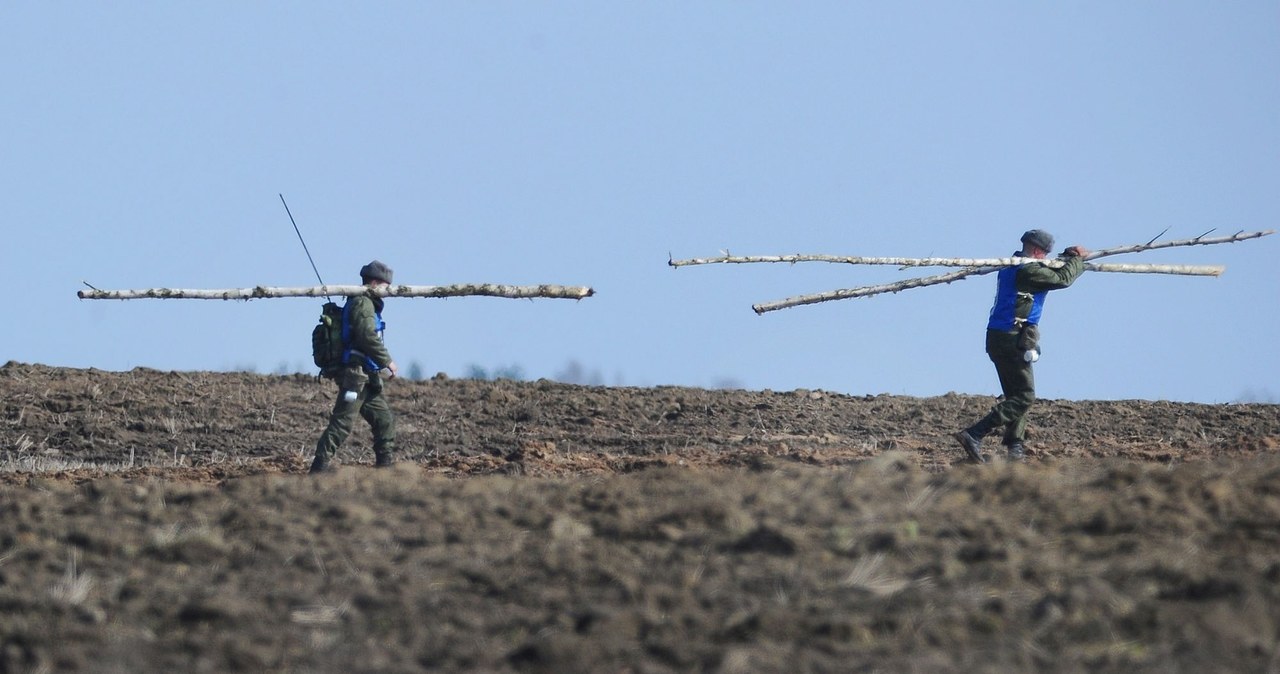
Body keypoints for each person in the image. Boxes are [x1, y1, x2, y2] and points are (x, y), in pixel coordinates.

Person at [955, 230, 1089, 463]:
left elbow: (1051, 271)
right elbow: (1062, 279)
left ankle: (1015, 447)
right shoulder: (1027, 271)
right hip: (1011, 338)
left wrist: (1066, 258)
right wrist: (1077, 262)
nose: (1047, 258)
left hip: (997, 337)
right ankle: (975, 433)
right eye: (1045, 254)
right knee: (1025, 396)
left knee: (1015, 395)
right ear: (1038, 251)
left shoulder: (1012, 266)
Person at [311, 260, 400, 473]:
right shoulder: (363, 303)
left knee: (384, 420)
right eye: (386, 286)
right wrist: (387, 360)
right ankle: (319, 468)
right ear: (377, 282)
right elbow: (366, 335)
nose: (387, 291)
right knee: (342, 423)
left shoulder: (365, 302)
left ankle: (385, 468)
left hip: (367, 375)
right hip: (355, 374)